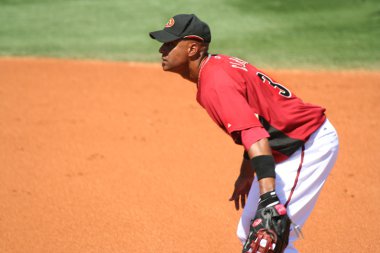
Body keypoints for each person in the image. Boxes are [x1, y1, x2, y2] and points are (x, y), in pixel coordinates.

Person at [149, 14, 339, 253]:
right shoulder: (216, 67)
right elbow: (255, 124)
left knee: (265, 240)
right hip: (285, 145)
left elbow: (256, 135)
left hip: (306, 144)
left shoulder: (215, 83)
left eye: (169, 44)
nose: (161, 50)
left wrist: (268, 196)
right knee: (249, 231)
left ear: (193, 48)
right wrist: (245, 174)